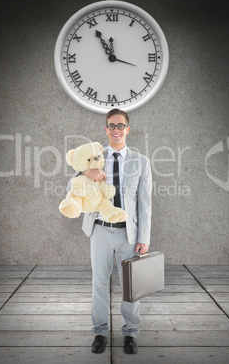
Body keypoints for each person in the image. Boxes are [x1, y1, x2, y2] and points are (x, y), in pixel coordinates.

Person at [79, 108, 152, 355]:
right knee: (99, 284)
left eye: (121, 125)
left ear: (127, 129)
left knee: (131, 286)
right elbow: (72, 187)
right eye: (111, 125)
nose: (116, 130)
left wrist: (144, 238)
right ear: (106, 129)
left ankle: (130, 334)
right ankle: (100, 332)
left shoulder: (142, 162)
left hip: (128, 235)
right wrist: (85, 172)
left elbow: (145, 203)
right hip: (99, 230)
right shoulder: (94, 158)